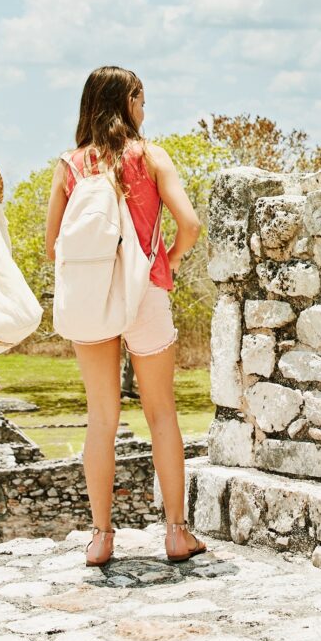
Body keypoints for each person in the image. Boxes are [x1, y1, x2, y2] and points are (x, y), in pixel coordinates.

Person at [42, 66, 207, 568]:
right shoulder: (151, 157)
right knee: (161, 414)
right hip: (147, 293)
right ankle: (176, 532)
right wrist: (171, 258)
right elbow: (191, 224)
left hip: (93, 299)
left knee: (102, 419)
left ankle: (101, 537)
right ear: (128, 101)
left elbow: (52, 247)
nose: (145, 108)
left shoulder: (71, 166)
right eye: (141, 98)